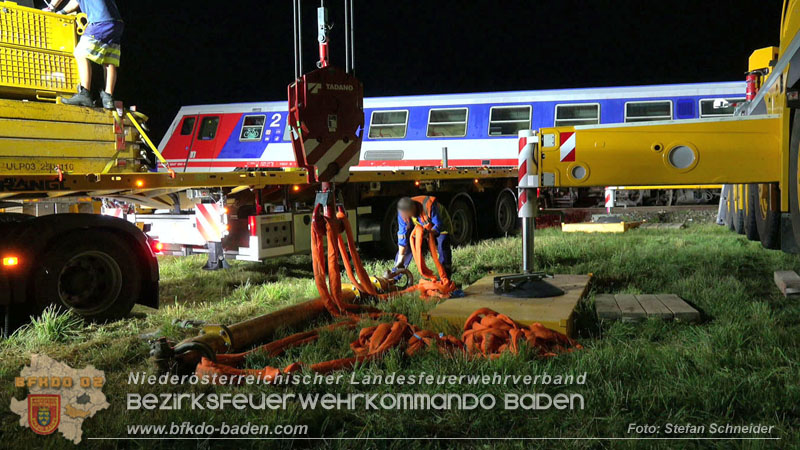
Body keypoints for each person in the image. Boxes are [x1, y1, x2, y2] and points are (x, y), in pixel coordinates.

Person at [46, 0, 124, 109]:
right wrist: (62, 12)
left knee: (80, 53)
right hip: (116, 24)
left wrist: (51, 7)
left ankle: (85, 94)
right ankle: (108, 98)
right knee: (109, 61)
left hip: (100, 22)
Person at [394, 196, 454, 278]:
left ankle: (445, 278)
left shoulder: (429, 206)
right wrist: (401, 258)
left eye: (410, 215)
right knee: (407, 245)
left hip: (441, 222)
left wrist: (429, 233)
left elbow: (439, 225)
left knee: (443, 245)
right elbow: (402, 237)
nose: (408, 218)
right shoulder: (403, 213)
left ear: (414, 208)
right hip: (424, 225)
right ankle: (394, 278)